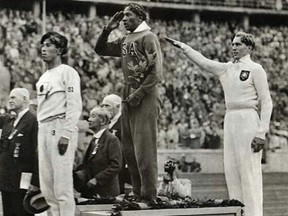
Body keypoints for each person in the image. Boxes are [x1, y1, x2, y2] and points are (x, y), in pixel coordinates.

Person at [166, 32, 273, 216]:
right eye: (232, 44)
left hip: (248, 118)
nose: (233, 47)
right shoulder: (226, 69)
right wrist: (184, 47)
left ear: (249, 47)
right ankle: (239, 212)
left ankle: (254, 214)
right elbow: (204, 62)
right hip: (230, 118)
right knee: (231, 170)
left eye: (238, 44)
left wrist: (261, 132)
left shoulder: (256, 69)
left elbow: (267, 101)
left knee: (249, 171)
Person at [95, 3, 163, 202]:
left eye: (128, 15)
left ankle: (149, 195)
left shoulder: (148, 37)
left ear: (140, 18)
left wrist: (138, 94)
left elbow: (156, 73)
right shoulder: (126, 39)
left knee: (144, 148)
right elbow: (101, 49)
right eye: (123, 16)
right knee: (129, 148)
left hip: (146, 93)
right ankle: (137, 191)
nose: (124, 19)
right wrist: (108, 29)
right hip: (128, 92)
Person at [36, 32, 82, 216]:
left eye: (48, 45)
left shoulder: (68, 73)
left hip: (59, 126)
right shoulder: (44, 76)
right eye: (43, 45)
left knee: (62, 186)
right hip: (44, 128)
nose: (43, 49)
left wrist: (66, 133)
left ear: (60, 50)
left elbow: (74, 104)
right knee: (47, 187)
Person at [0, 88, 38, 216]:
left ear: (25, 99)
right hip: (6, 179)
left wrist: (35, 182)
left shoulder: (34, 121)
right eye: (9, 97)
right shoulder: (8, 120)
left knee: (21, 212)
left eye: (14, 97)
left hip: (23, 180)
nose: (10, 100)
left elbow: (38, 153)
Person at [74, 107, 122, 198]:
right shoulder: (94, 140)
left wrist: (97, 179)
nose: (89, 119)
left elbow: (116, 166)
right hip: (91, 192)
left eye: (93, 116)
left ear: (102, 120)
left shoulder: (112, 139)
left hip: (106, 194)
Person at [101, 94, 131, 194]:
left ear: (118, 107)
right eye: (103, 106)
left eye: (107, 106)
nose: (104, 108)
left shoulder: (125, 121)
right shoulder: (107, 122)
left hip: (120, 163)